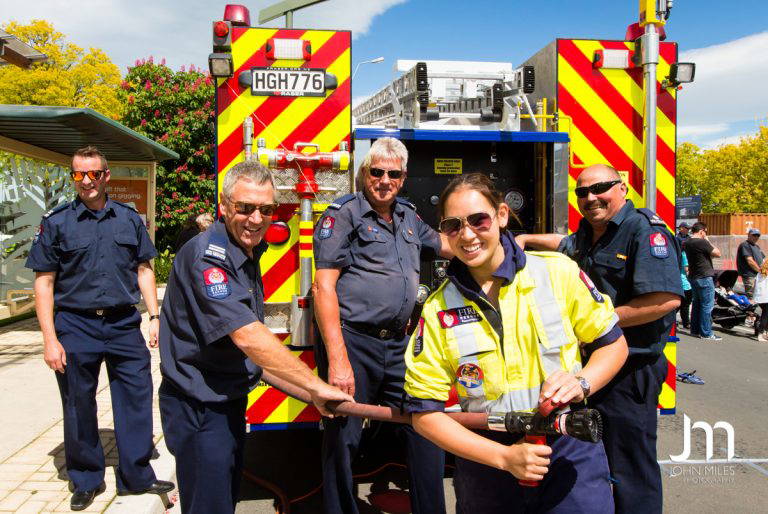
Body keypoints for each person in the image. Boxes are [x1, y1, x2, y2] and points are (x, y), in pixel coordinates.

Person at [404, 173, 628, 513]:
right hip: (486, 460)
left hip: (568, 446)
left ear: (502, 216)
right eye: (453, 226)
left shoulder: (557, 273)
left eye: (479, 220)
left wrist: (582, 382)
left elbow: (613, 345)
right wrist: (504, 457)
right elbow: (424, 416)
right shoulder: (437, 309)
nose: (467, 235)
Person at [158, 161, 352, 514]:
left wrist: (312, 393)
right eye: (245, 207)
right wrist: (316, 384)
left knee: (222, 502)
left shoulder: (245, 253)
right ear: (224, 206)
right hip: (199, 408)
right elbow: (249, 338)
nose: (256, 218)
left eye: (267, 209)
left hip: (224, 402)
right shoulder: (209, 258)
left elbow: (253, 361)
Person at [516, 164, 682, 513]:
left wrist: (595, 323)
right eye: (582, 192)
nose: (590, 198)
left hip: (629, 372)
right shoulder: (591, 233)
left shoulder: (644, 232)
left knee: (630, 468)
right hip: (592, 371)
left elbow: (665, 300)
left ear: (622, 188)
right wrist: (525, 240)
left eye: (600, 188)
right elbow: (564, 244)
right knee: (596, 464)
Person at [25, 146, 174, 511]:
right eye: (79, 174)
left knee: (137, 397)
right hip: (75, 324)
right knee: (78, 404)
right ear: (73, 176)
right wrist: (50, 340)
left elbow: (144, 269)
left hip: (124, 323)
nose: (86, 181)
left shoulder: (128, 219)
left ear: (106, 176)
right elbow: (44, 283)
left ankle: (136, 476)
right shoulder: (57, 221)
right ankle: (87, 478)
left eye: (93, 174)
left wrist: (154, 316)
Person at [313, 137, 449, 514]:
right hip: (353, 342)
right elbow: (323, 286)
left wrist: (497, 241)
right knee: (344, 437)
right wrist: (338, 360)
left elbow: (445, 244)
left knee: (426, 426)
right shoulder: (342, 214)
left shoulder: (408, 215)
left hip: (399, 346)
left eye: (393, 173)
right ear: (364, 172)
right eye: (377, 171)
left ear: (404, 177)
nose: (384, 180)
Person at [683, 222, 722, 341]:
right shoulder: (701, 241)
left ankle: (695, 330)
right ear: (701, 231)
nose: (706, 234)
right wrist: (708, 240)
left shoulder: (688, 242)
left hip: (694, 276)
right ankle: (706, 333)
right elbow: (717, 253)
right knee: (707, 305)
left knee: (697, 304)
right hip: (704, 276)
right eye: (705, 232)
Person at [736, 228, 765, 298]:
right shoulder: (745, 245)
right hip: (750, 275)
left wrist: (765, 269)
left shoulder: (756, 246)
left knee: (759, 295)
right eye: (754, 235)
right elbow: (750, 261)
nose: (756, 237)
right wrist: (761, 271)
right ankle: (751, 309)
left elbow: (763, 260)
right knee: (751, 296)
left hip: (758, 275)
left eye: (758, 235)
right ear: (749, 235)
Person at [752, 259, 768, 342]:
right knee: (765, 315)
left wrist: (753, 297)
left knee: (765, 315)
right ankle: (760, 334)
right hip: (766, 297)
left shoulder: (760, 272)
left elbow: (754, 285)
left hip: (760, 297)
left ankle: (763, 332)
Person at [679, 250, 693, 329]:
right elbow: (687, 270)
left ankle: (685, 322)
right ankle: (686, 323)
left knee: (681, 304)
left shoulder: (680, 253)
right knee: (685, 304)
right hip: (686, 283)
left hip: (680, 282)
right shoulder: (685, 255)